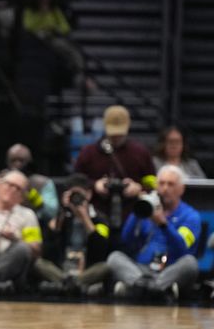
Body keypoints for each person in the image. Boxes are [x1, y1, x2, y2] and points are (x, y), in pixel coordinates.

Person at [108, 165, 201, 302]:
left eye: (171, 184)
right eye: (161, 183)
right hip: (141, 270)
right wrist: (138, 210)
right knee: (114, 257)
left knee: (190, 263)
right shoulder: (147, 211)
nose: (165, 189)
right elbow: (126, 240)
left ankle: (136, 289)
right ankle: (155, 289)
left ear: (181, 189)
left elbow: (182, 248)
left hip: (169, 271)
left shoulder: (191, 216)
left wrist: (163, 225)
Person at [74, 105, 155, 233]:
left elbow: (153, 184)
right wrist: (95, 185)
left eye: (120, 133)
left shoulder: (140, 153)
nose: (116, 137)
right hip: (96, 216)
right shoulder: (88, 153)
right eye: (113, 133)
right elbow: (75, 182)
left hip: (132, 217)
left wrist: (139, 188)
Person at [36, 173, 111, 295]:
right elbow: (48, 249)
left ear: (89, 194)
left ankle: (64, 286)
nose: (76, 199)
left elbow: (100, 248)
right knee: (39, 263)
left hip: (87, 270)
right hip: (62, 270)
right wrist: (62, 212)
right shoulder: (62, 217)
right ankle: (73, 286)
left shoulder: (100, 218)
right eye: (73, 195)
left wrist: (85, 218)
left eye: (80, 194)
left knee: (105, 267)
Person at [0, 143, 59, 225]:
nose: (17, 164)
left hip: (33, 224)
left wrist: (36, 199)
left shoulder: (42, 183)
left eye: (21, 160)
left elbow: (52, 213)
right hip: (0, 223)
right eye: (14, 160)